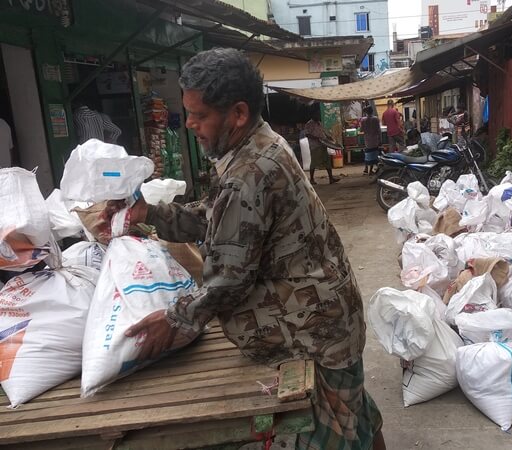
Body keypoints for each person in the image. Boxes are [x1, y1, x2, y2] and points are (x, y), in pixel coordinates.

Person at [107, 48, 385, 450]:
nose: (189, 124)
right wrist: (149, 212)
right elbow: (213, 217)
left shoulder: (249, 172)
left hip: (315, 331)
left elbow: (227, 282)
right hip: (329, 315)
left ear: (237, 113)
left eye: (199, 115)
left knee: (342, 427)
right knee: (356, 415)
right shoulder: (258, 145)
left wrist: (172, 321)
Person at [304, 108, 340, 185]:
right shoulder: (309, 124)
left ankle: (331, 178)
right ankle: (312, 179)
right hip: (315, 146)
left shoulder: (319, 123)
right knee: (314, 162)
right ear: (312, 115)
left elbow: (323, 132)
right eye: (316, 114)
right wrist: (317, 138)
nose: (318, 116)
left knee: (327, 161)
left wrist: (328, 137)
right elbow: (307, 134)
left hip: (323, 144)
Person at [359, 105, 381, 175]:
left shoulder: (363, 120)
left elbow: (361, 130)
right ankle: (370, 170)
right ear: (372, 111)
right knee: (374, 155)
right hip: (375, 139)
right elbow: (378, 130)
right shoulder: (376, 119)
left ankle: (366, 169)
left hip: (367, 140)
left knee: (368, 154)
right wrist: (380, 139)